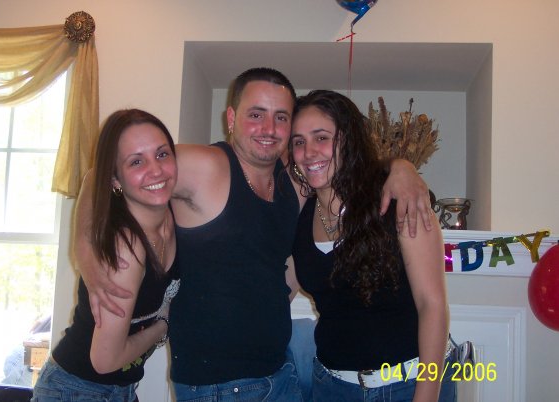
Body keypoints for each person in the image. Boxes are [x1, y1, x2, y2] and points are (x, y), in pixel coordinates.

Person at [75, 68, 433, 401]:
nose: (269, 128)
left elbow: (346, 162)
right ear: (231, 118)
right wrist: (85, 253)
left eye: (281, 117)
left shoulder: (296, 180)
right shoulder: (204, 167)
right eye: (256, 114)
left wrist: (400, 167)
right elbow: (102, 174)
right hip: (217, 386)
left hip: (281, 373)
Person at [288, 89, 456, 401]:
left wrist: (427, 395)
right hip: (332, 387)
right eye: (299, 142)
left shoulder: (399, 201)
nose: (309, 151)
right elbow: (279, 292)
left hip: (408, 384)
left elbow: (432, 306)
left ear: (348, 140)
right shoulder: (300, 215)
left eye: (321, 137)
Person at [32, 109, 180, 402]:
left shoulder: (171, 209)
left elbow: (92, 177)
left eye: (162, 154)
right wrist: (162, 326)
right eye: (136, 161)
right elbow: (105, 360)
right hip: (75, 390)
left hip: (120, 389)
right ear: (115, 179)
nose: (156, 170)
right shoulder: (126, 247)